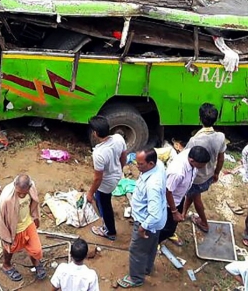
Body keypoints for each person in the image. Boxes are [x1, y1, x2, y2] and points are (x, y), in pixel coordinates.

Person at [116, 149, 166, 288]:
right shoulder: (159, 165)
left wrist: (143, 227)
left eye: (140, 164)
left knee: (136, 250)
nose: (137, 166)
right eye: (136, 162)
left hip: (147, 221)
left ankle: (136, 278)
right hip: (157, 222)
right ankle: (146, 268)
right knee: (150, 247)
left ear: (151, 163)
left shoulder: (152, 185)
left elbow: (154, 215)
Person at [0, 174, 45, 282]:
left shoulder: (32, 188)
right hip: (14, 227)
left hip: (28, 222)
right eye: (18, 192)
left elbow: (34, 203)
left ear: (29, 188)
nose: (20, 195)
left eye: (23, 193)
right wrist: (6, 236)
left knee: (36, 249)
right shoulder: (7, 198)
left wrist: (36, 218)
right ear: (14, 186)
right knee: (10, 248)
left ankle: (36, 263)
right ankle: (6, 265)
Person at [184, 103, 226, 234]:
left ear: (199, 118)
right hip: (209, 175)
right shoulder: (220, 137)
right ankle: (183, 212)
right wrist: (217, 173)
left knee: (196, 199)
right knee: (191, 195)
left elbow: (186, 159)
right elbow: (221, 158)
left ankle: (204, 223)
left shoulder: (194, 140)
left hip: (196, 178)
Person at [83, 116, 127, 241]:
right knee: (104, 201)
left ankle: (110, 232)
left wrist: (90, 193)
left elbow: (98, 178)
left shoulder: (99, 153)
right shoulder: (118, 139)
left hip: (106, 183)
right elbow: (124, 156)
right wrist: (119, 169)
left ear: (95, 133)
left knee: (104, 204)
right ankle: (107, 224)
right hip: (116, 175)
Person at [161, 146, 210, 243]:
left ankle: (170, 233)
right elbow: (168, 191)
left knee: (173, 223)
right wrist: (174, 211)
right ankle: (157, 241)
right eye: (201, 165)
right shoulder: (178, 172)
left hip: (179, 197)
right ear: (192, 161)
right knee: (166, 224)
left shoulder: (189, 153)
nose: (203, 167)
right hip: (168, 203)